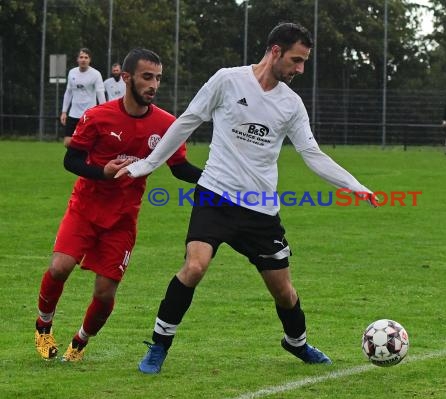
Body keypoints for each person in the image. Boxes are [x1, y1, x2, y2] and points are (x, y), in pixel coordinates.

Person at [116, 22, 377, 374]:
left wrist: (354, 185)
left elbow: (312, 154)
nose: (300, 69)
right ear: (274, 52)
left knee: (283, 291)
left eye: (304, 62)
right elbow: (187, 121)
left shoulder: (291, 104)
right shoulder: (227, 80)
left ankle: (297, 344)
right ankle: (158, 346)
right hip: (215, 194)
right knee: (194, 266)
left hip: (260, 209)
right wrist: (149, 163)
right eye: (296, 60)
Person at [34, 48, 203, 362]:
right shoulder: (98, 117)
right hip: (85, 208)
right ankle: (43, 328)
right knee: (59, 267)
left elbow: (180, 168)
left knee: (104, 293)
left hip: (123, 219)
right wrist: (103, 173)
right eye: (146, 77)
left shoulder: (167, 124)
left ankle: (79, 343)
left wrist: (217, 178)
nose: (153, 85)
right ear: (127, 78)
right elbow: (71, 160)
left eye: (158, 78)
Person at [60, 48, 106, 147]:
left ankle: (84, 160)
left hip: (89, 115)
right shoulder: (72, 72)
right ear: (77, 59)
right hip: (73, 113)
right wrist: (64, 112)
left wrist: (104, 113)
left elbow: (100, 94)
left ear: (90, 60)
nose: (83, 60)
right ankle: (77, 157)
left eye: (86, 57)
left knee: (88, 141)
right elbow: (68, 92)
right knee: (67, 143)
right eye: (81, 57)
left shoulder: (96, 74)